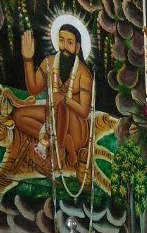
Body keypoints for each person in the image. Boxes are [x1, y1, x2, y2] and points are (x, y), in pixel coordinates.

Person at [19, 22, 93, 174]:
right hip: (50, 119)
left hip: (76, 128)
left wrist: (64, 99)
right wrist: (28, 60)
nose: (64, 46)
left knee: (61, 104)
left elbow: (84, 112)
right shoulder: (50, 62)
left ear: (77, 48)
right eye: (61, 40)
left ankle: (58, 152)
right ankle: (61, 141)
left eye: (70, 42)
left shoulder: (83, 74)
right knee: (18, 115)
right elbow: (33, 89)